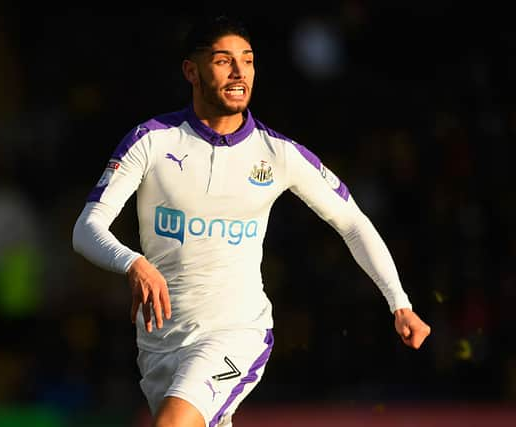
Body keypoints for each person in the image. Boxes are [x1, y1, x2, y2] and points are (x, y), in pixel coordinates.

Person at [72, 14, 431, 427]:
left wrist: (399, 303)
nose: (240, 71)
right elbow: (87, 228)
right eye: (224, 60)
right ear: (192, 70)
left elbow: (352, 222)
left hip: (236, 333)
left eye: (248, 60)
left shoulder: (277, 154)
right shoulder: (151, 141)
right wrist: (132, 262)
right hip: (160, 344)